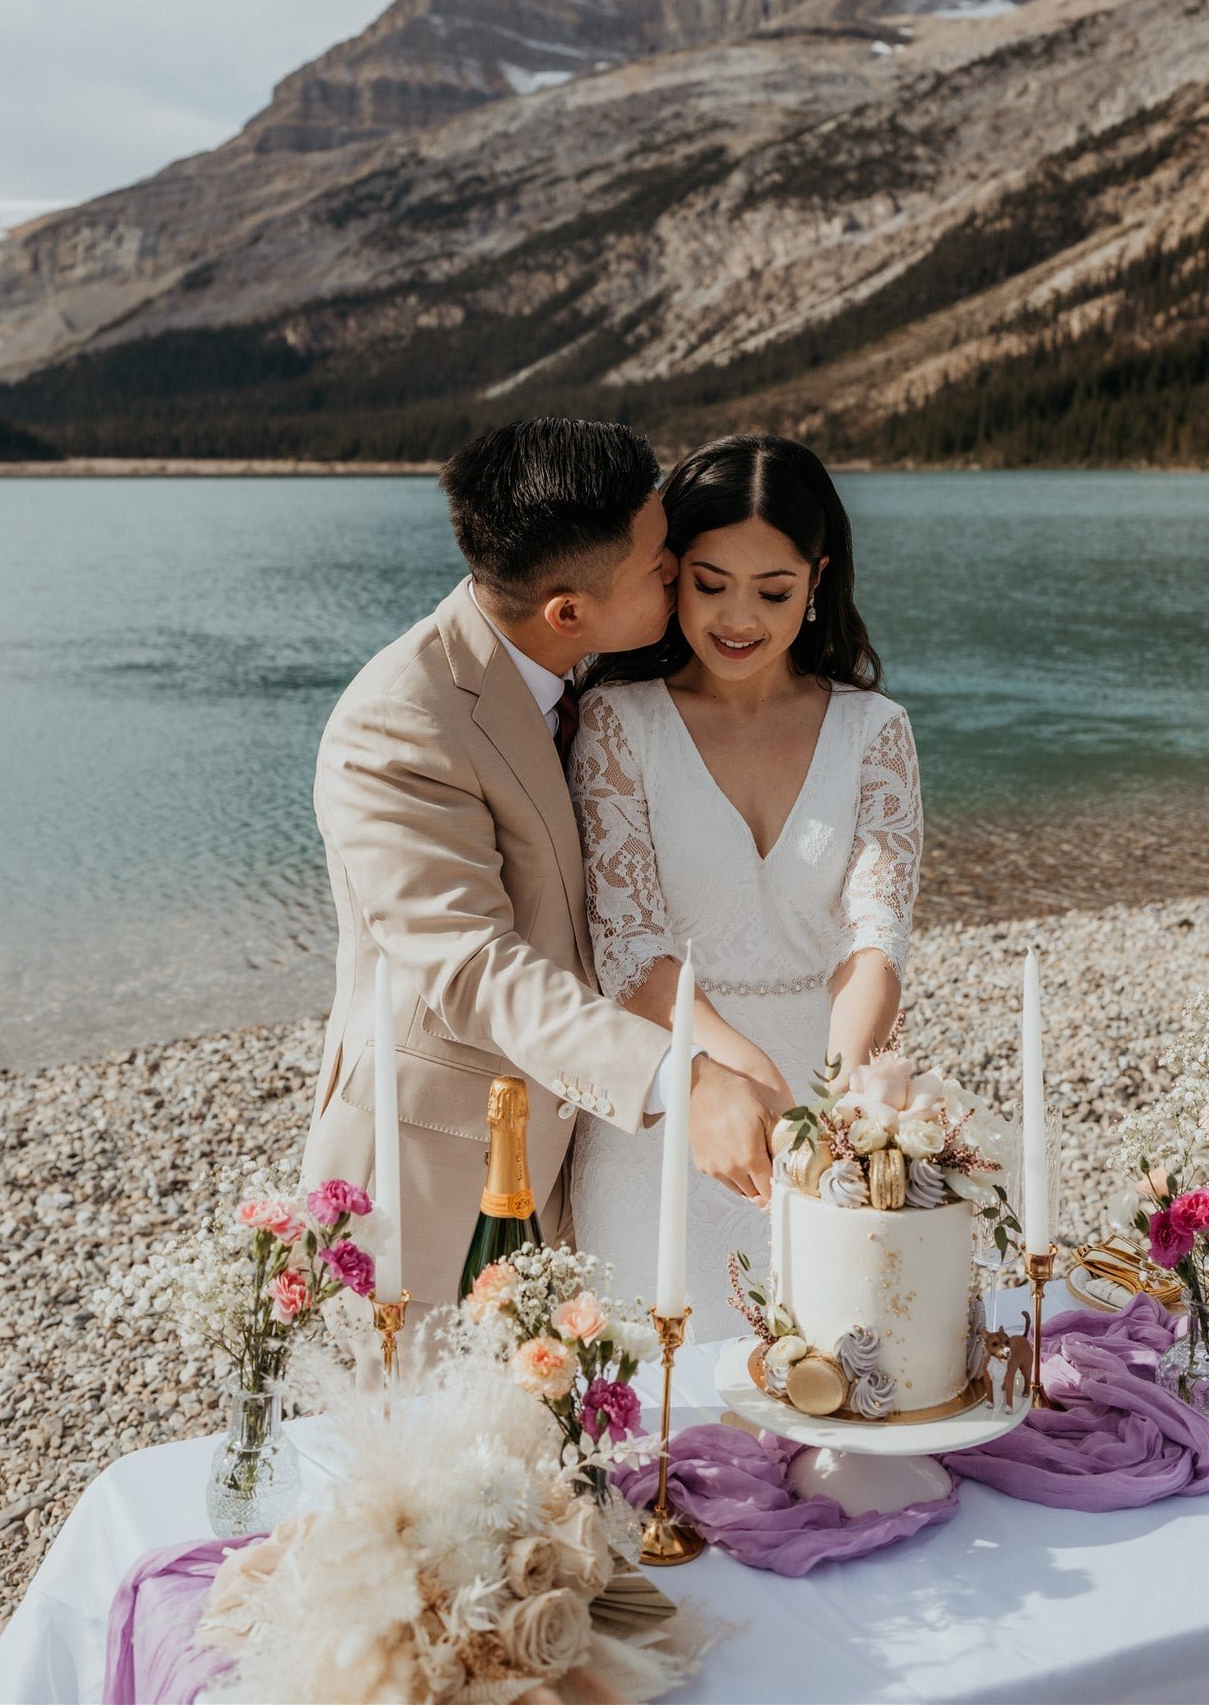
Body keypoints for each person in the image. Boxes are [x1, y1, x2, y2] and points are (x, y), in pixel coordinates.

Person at [302, 417, 784, 1315]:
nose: (677, 566)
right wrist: (680, 1078)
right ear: (568, 610)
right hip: (428, 1171)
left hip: (573, 1152)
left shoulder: (582, 674)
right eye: (658, 565)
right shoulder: (397, 728)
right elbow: (476, 968)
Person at [568, 433, 923, 1336]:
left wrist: (836, 1100)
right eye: (708, 582)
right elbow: (631, 953)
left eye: (772, 591)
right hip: (666, 1104)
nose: (737, 617)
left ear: (818, 580)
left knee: (835, 1376)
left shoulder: (872, 730)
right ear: (670, 572)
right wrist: (748, 1072)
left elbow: (872, 941)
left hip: (825, 1101)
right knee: (660, 1408)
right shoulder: (619, 722)